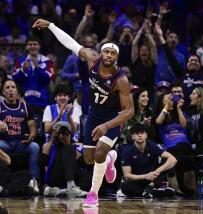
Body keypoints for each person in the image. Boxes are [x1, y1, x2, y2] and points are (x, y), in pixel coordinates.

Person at [32, 19, 134, 207]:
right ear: (101, 52)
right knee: (89, 159)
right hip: (93, 115)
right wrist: (51, 26)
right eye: (106, 51)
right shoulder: (91, 60)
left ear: (116, 57)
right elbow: (71, 43)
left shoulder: (121, 80)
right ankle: (111, 157)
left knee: (99, 154)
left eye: (113, 53)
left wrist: (107, 126)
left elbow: (129, 111)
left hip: (112, 119)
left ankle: (93, 195)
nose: (109, 55)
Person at [0, 79, 40, 193]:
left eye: (13, 87)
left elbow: (33, 128)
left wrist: (31, 137)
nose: (11, 90)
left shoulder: (26, 107)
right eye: (7, 88)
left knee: (35, 147)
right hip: (4, 143)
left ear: (17, 91)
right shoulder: (0, 106)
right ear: (3, 92)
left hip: (20, 143)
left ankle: (34, 180)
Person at [121, 123, 177, 198]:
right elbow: (127, 176)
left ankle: (150, 189)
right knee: (124, 187)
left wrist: (157, 171)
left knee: (168, 162)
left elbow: (173, 159)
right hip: (137, 180)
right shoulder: (127, 150)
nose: (140, 135)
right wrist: (145, 176)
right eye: (137, 133)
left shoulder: (152, 146)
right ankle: (152, 192)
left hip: (152, 179)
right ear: (133, 137)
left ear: (146, 135)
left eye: (142, 133)